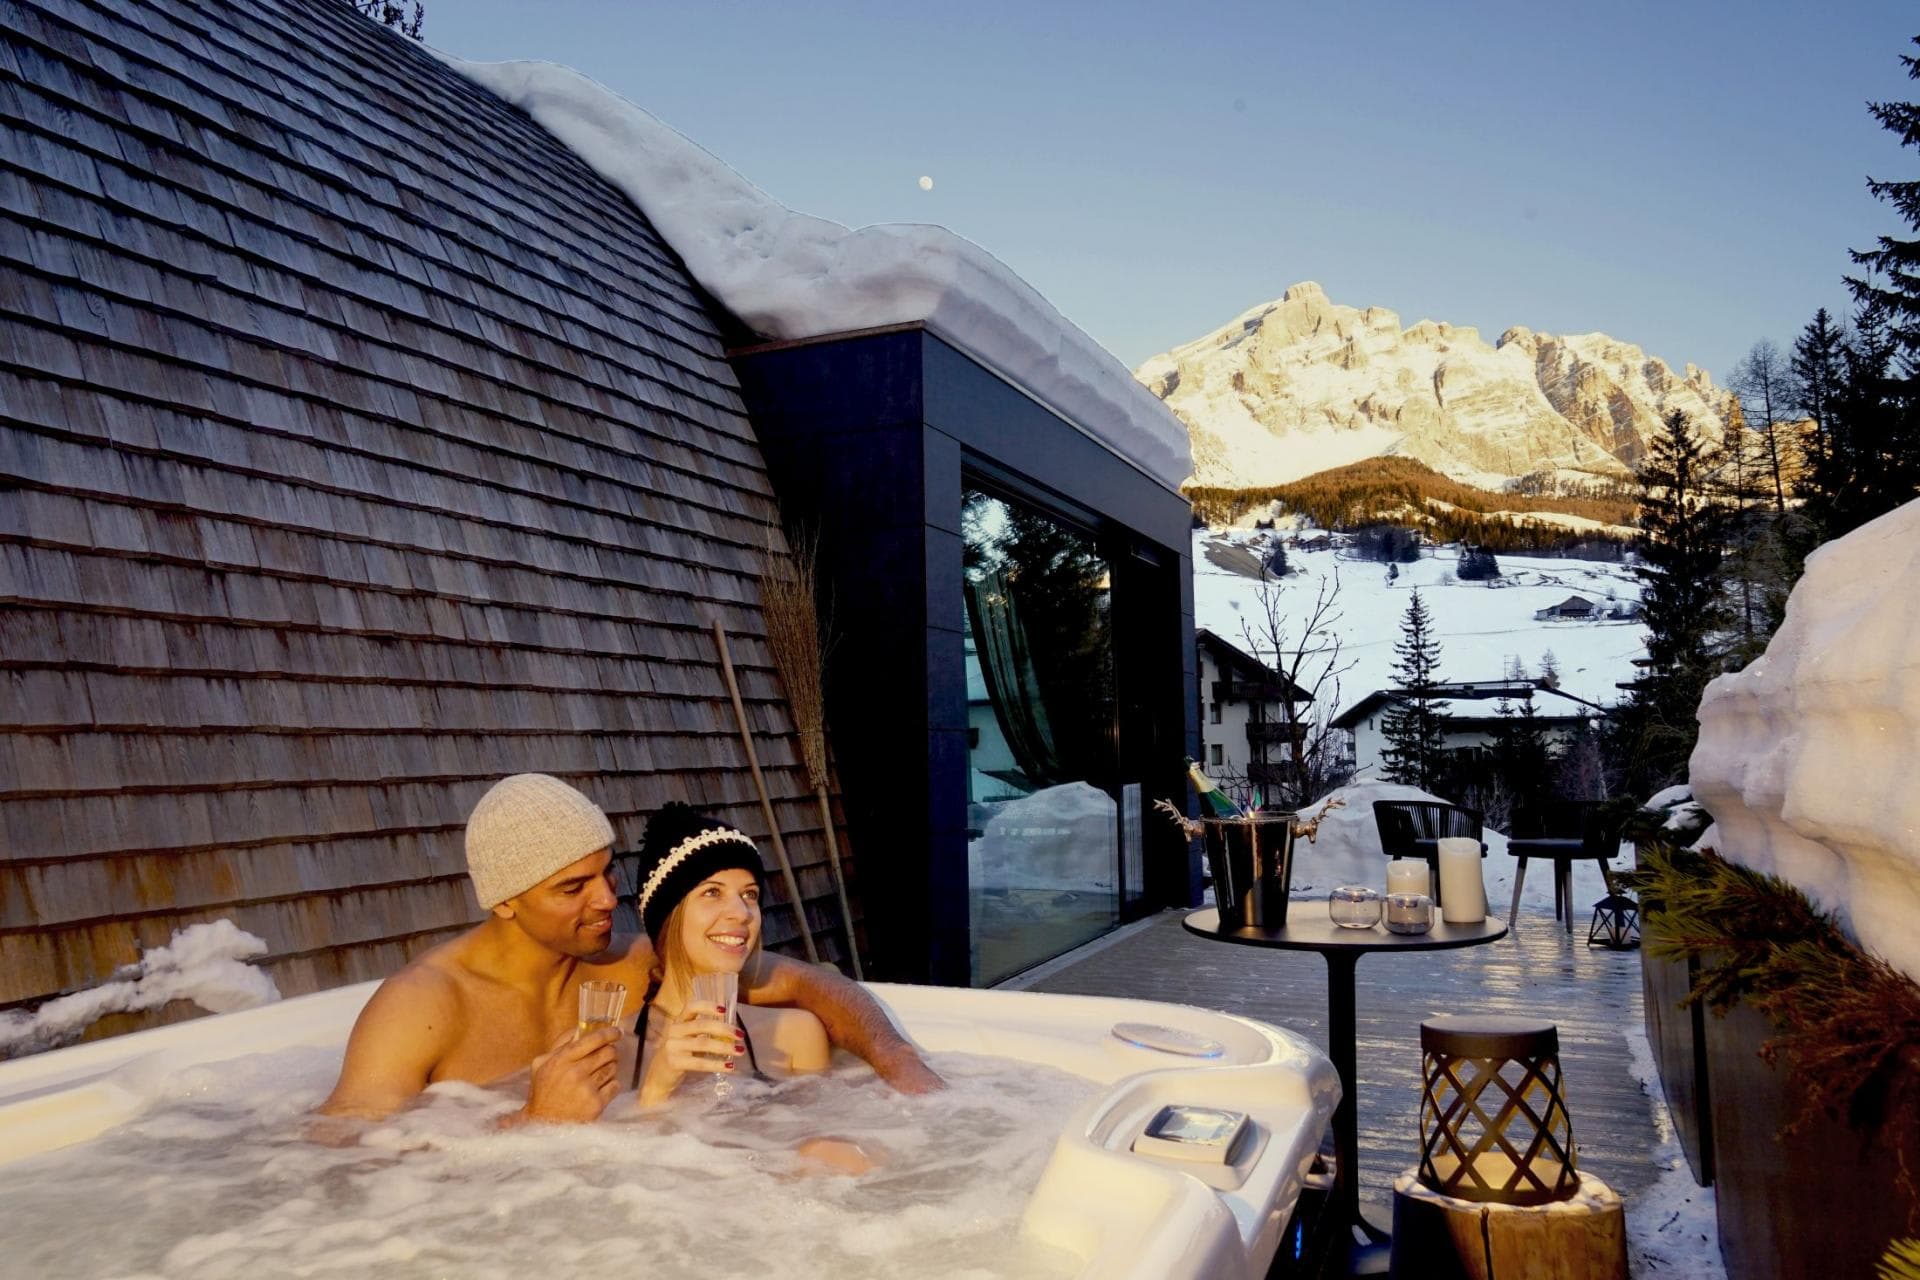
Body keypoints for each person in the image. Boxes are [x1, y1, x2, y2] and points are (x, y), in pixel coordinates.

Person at [319, 774, 941, 1124]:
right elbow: (342, 1164)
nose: (605, 899)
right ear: (504, 900)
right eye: (573, 887)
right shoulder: (422, 1007)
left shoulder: (630, 964)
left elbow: (808, 983)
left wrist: (897, 1059)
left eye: (606, 873)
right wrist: (528, 1122)